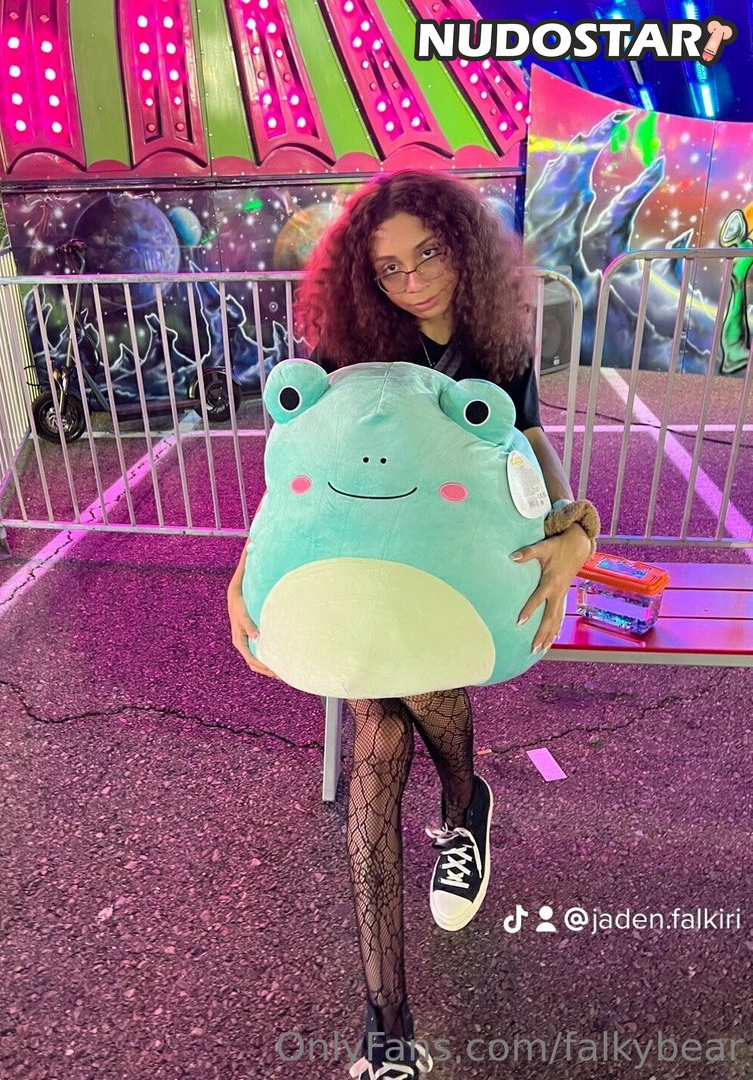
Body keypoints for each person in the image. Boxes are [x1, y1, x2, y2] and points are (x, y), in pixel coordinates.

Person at [227, 170, 599, 1079]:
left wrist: (576, 529)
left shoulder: (494, 338)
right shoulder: (352, 344)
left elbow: (529, 441)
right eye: (389, 267)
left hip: (448, 585)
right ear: (367, 276)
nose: (412, 279)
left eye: (427, 253)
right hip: (362, 583)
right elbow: (303, 475)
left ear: (460, 245)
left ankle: (465, 806)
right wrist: (245, 572)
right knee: (380, 738)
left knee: (416, 698)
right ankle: (386, 1021)